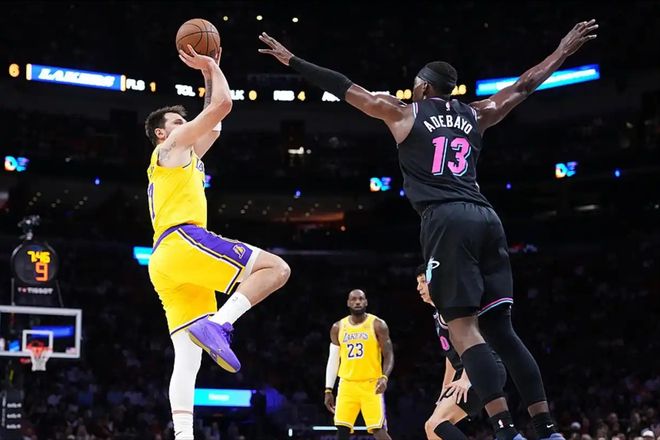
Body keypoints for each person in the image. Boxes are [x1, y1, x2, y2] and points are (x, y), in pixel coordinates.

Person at [259, 19, 598, 440]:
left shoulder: (403, 112)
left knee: (463, 329)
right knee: (502, 330)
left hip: (446, 219)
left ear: (422, 87)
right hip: (486, 217)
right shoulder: (477, 113)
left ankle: (506, 431)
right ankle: (547, 429)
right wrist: (562, 50)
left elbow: (345, 87)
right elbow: (525, 85)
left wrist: (293, 60)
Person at [145, 43, 290, 440]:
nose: (186, 124)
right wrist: (210, 65)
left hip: (165, 260)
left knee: (187, 356)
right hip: (182, 241)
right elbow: (223, 106)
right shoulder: (170, 147)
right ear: (161, 132)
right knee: (276, 269)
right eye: (178, 121)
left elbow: (215, 121)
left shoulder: (185, 155)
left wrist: (211, 74)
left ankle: (183, 435)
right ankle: (222, 323)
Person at [415, 264, 507, 440]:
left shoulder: (451, 309)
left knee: (436, 424)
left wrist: (466, 379)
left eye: (423, 282)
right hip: (474, 370)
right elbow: (451, 356)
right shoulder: (439, 313)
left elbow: (473, 342)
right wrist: (445, 388)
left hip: (484, 369)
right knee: (431, 429)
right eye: (417, 283)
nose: (419, 287)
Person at [324, 289, 394, 439]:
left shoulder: (378, 324)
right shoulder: (338, 327)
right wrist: (328, 389)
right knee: (342, 431)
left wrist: (384, 377)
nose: (357, 302)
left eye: (361, 299)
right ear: (348, 303)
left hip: (371, 385)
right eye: (354, 299)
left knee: (378, 430)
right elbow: (333, 360)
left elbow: (389, 354)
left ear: (366, 302)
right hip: (347, 385)